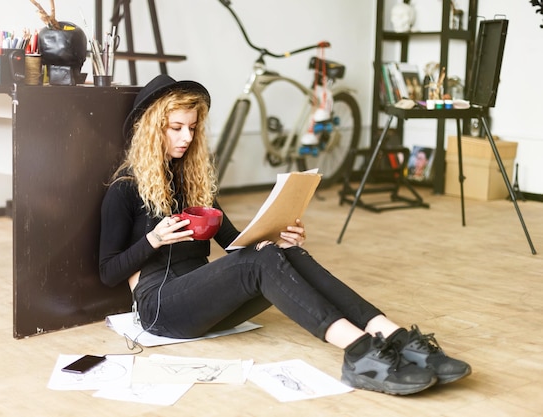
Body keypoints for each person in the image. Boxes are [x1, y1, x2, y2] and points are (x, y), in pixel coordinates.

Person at [99, 74, 471, 395]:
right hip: (160, 307)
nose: (186, 137)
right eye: (176, 128)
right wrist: (154, 240)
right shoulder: (125, 189)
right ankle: (359, 351)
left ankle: (393, 336)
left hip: (200, 295)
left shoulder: (192, 183)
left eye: (192, 128)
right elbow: (108, 272)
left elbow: (234, 245)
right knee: (261, 262)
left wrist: (275, 239)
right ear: (152, 128)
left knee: (283, 254)